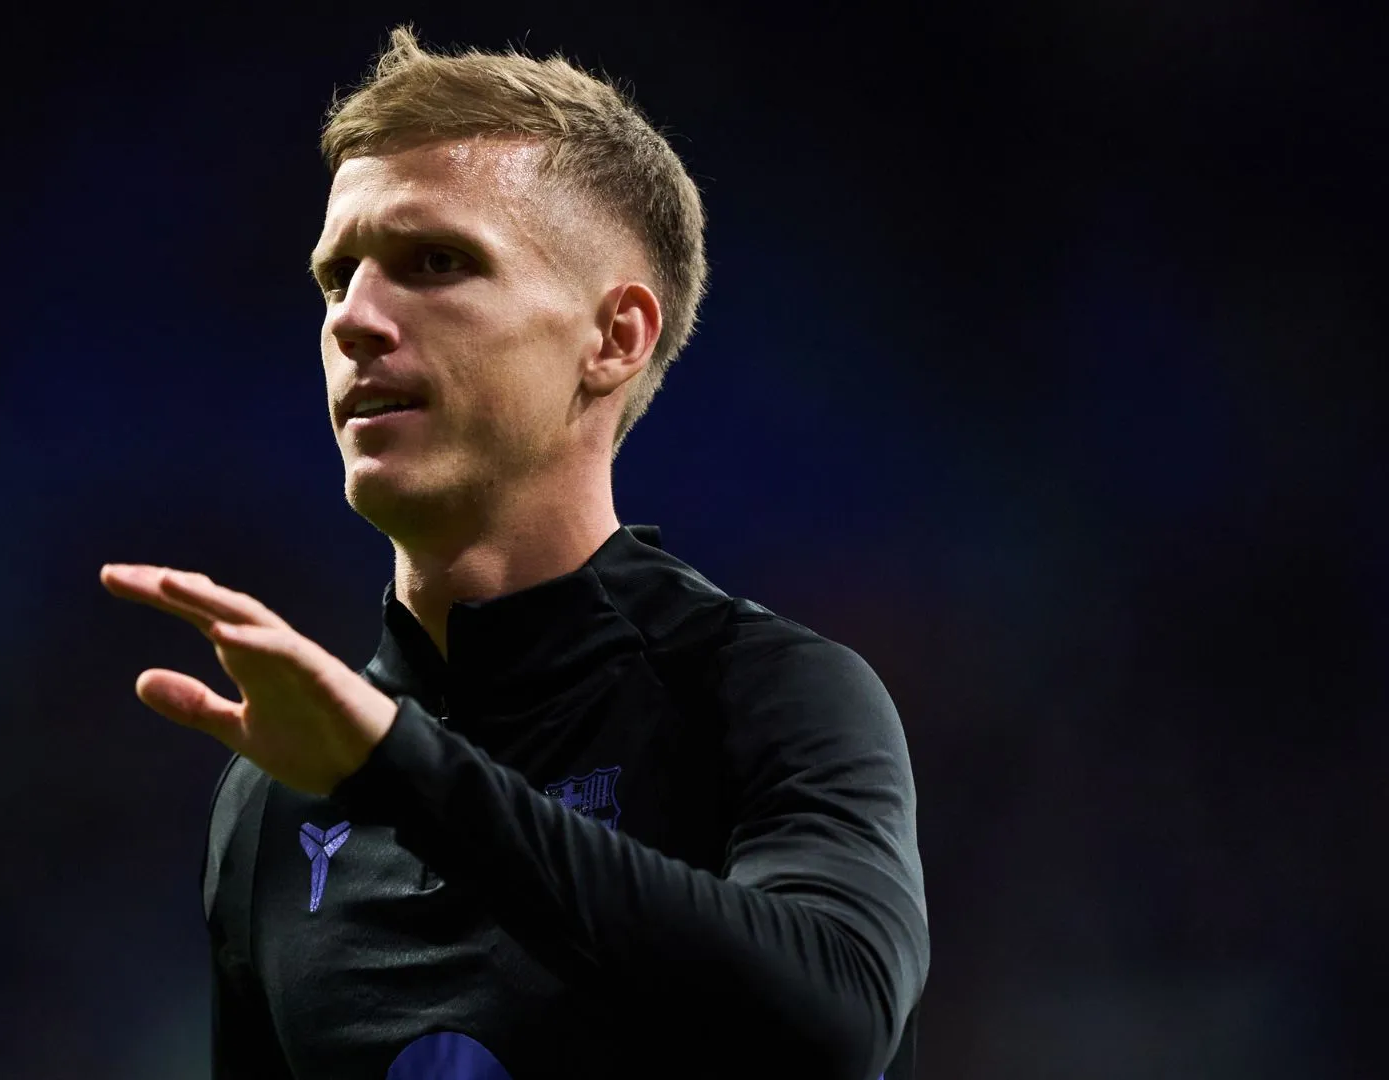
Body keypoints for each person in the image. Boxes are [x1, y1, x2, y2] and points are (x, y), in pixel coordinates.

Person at [100, 25, 928, 1080]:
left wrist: (396, 767)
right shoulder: (274, 797)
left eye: (435, 262)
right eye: (335, 275)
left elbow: (837, 1023)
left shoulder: (764, 694)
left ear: (615, 337)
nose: (354, 319)